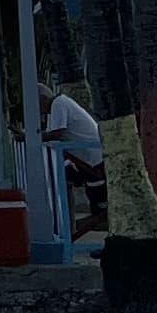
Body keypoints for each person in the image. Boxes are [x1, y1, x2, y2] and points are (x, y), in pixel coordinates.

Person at [44, 88, 107, 231]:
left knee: (101, 209)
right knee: (67, 180)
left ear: (42, 98)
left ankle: (72, 228)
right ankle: (69, 226)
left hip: (93, 160)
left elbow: (56, 134)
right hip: (86, 160)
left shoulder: (58, 104)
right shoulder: (59, 104)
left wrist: (31, 136)